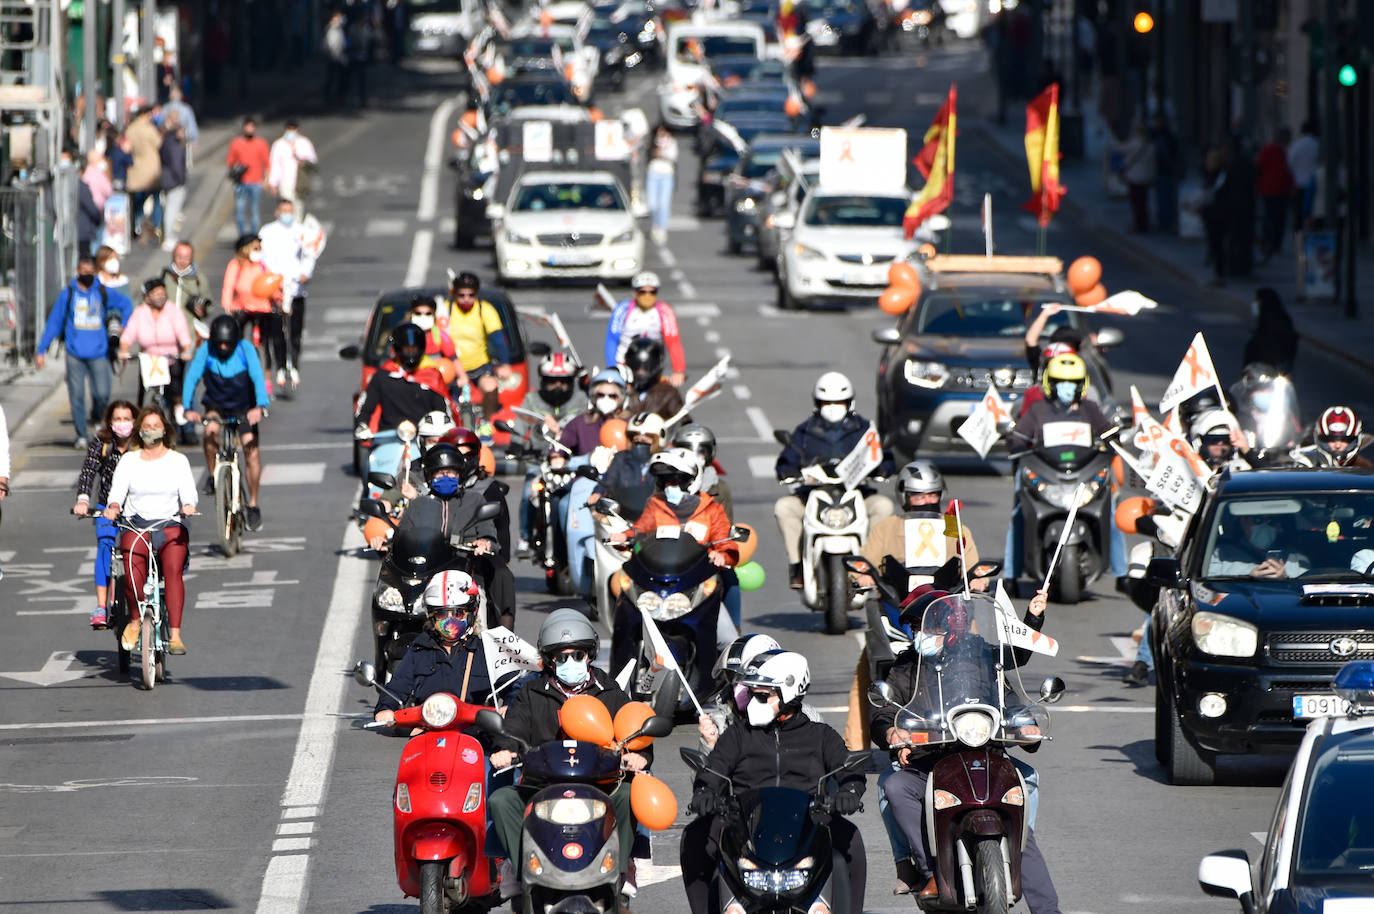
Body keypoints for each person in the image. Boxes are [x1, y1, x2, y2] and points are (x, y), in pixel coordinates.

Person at [875, 589, 1059, 911]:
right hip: (930, 762)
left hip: (986, 758)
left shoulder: (978, 657)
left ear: (952, 628)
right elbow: (883, 712)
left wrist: (1026, 723)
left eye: (928, 627)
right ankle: (929, 870)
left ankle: (1049, 909)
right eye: (916, 629)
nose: (920, 635)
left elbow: (1010, 685)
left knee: (1022, 812)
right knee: (894, 786)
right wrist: (892, 730)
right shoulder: (905, 667)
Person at [681, 650, 866, 914]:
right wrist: (705, 791)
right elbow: (714, 767)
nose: (752, 701)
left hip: (810, 820)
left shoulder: (821, 736)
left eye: (762, 695)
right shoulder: (738, 735)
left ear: (790, 692)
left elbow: (848, 768)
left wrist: (849, 791)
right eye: (751, 694)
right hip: (743, 821)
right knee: (694, 836)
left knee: (852, 838)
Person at [487, 608, 648, 899]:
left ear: (590, 655)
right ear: (549, 660)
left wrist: (640, 755)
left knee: (628, 794)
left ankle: (623, 865)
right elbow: (512, 730)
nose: (570, 662)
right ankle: (518, 866)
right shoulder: (530, 693)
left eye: (578, 655)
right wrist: (505, 750)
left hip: (600, 785)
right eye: (561, 657)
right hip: (542, 786)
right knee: (501, 800)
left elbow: (635, 732)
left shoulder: (611, 692)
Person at [610, 447, 740, 670]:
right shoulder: (655, 505)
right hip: (658, 583)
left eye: (677, 480)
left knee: (728, 641)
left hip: (697, 587)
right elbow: (640, 530)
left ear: (694, 479)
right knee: (625, 622)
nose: (671, 486)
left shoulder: (712, 509)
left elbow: (724, 541)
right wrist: (625, 535)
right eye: (665, 481)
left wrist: (721, 553)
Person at [1003, 353, 1126, 586]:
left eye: (1072, 383)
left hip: (1084, 475)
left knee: (1110, 513)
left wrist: (1116, 436)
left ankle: (1122, 574)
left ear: (1082, 385)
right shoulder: (1038, 410)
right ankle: (1011, 574)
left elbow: (1109, 433)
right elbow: (1018, 437)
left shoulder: (1090, 409)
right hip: (1047, 475)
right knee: (1019, 513)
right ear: (1051, 383)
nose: (1067, 387)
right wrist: (1013, 439)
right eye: (1061, 382)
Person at [774, 371, 896, 589]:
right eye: (826, 402)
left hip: (857, 493)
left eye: (839, 402)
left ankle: (872, 564)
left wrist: (883, 469)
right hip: (812, 495)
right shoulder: (805, 431)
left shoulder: (865, 429)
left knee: (884, 506)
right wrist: (787, 472)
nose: (832, 407)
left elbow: (882, 456)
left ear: (849, 402)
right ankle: (797, 567)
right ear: (817, 403)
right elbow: (787, 459)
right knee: (784, 507)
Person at [102, 406, 198, 655]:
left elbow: (189, 491)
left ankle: (175, 634)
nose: (151, 430)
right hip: (137, 524)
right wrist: (113, 506)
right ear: (139, 431)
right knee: (132, 575)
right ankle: (135, 621)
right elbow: (117, 491)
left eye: (156, 426)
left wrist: (188, 505)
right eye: (146, 427)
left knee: (173, 571)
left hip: (170, 524)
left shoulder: (178, 460)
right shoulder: (129, 460)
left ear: (164, 429)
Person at [373, 570, 493, 728]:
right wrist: (386, 708)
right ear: (432, 616)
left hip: (474, 736)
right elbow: (398, 686)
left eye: (458, 613)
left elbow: (512, 687)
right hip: (428, 734)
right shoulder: (420, 649)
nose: (450, 620)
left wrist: (509, 708)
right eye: (442, 614)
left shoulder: (486, 651)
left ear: (471, 614)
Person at [36, 255, 133, 448]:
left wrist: (124, 326)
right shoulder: (68, 294)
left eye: (91, 271)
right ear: (77, 271)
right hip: (75, 353)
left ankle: (97, 418)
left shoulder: (103, 292)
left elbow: (127, 304)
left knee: (102, 393)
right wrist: (41, 350)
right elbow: (54, 322)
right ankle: (81, 433)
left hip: (99, 352)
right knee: (77, 395)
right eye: (84, 271)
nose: (87, 275)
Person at [182, 315, 269, 528]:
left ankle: (254, 503)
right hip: (217, 404)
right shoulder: (206, 350)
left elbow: (258, 377)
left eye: (227, 343)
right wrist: (188, 408)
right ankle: (213, 475)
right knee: (210, 430)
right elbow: (192, 377)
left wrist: (260, 406)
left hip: (244, 406)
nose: (222, 347)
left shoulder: (245, 348)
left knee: (251, 449)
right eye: (219, 343)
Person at [73, 400, 138, 628]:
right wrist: (83, 499)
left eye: (126, 419)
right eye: (117, 419)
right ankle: (101, 606)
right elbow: (88, 472)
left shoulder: (141, 444)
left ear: (134, 421)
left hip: (136, 508)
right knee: (105, 547)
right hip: (105, 507)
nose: (122, 424)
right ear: (110, 422)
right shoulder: (102, 443)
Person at [438, 271, 510, 437]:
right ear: (454, 293)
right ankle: (452, 427)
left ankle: (485, 421)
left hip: (479, 365)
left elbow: (499, 339)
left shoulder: (484, 310)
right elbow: (438, 336)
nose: (466, 300)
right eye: (461, 295)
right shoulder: (447, 310)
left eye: (471, 295)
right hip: (453, 368)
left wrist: (505, 364)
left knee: (491, 387)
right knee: (450, 401)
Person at [257, 199, 318, 387]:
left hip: (296, 289)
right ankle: (281, 365)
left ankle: (295, 364)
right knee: (277, 331)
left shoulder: (302, 231)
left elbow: (310, 255)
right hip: (275, 290)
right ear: (277, 211)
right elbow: (261, 258)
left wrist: (305, 273)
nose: (287, 214)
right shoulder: (267, 232)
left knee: (295, 330)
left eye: (290, 211)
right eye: (284, 210)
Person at [354, 323, 451, 435]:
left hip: (424, 436)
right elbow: (365, 406)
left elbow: (444, 411)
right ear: (398, 349)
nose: (411, 353)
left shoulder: (432, 376)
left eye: (414, 349)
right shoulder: (383, 375)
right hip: (389, 437)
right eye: (407, 349)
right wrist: (362, 425)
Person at [222, 233, 286, 393]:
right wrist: (227, 304)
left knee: (264, 346)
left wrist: (280, 297)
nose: (258, 251)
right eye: (255, 247)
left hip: (262, 310)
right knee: (239, 343)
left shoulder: (262, 266)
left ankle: (265, 380)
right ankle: (239, 375)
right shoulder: (235, 265)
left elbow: (271, 285)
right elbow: (228, 286)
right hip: (242, 309)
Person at [118, 277, 194, 408]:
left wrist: (186, 351)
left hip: (171, 360)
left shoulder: (173, 311)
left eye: (162, 293)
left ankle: (178, 410)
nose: (160, 297)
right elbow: (127, 336)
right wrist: (124, 350)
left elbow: (184, 337)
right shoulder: (140, 312)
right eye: (156, 294)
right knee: (142, 397)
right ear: (147, 297)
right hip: (148, 362)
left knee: (176, 390)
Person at [604, 272, 687, 387]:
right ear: (635, 292)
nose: (647, 296)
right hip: (623, 366)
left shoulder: (665, 311)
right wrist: (613, 369)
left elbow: (673, 341)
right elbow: (612, 339)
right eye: (642, 292)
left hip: (652, 368)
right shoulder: (622, 309)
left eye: (652, 292)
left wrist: (679, 371)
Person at [593, 411, 666, 522]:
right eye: (636, 440)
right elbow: (608, 480)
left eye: (646, 439)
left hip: (654, 520)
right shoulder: (621, 458)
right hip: (622, 517)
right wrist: (598, 493)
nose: (640, 443)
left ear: (657, 441)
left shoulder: (665, 463)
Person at [559, 368, 628, 456]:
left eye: (612, 396)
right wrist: (556, 457)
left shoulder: (630, 424)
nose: (606, 399)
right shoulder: (580, 423)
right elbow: (559, 447)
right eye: (601, 395)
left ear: (621, 398)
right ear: (593, 396)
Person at [673, 423, 732, 520]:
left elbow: (725, 530)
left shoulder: (720, 488)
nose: (694, 457)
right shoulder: (666, 482)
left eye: (701, 452)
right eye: (687, 451)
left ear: (710, 453)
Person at [226, 117, 271, 237]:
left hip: (256, 182)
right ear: (244, 127)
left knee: (254, 211)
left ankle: (253, 236)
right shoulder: (236, 143)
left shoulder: (261, 143)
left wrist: (266, 179)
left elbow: (267, 162)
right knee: (240, 211)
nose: (250, 129)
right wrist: (238, 167)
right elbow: (230, 161)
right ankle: (242, 236)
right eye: (248, 126)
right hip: (241, 182)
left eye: (252, 127)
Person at [125, 106, 164, 244]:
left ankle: (137, 225)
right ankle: (156, 225)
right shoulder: (150, 129)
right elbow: (159, 144)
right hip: (151, 168)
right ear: (145, 115)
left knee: (138, 200)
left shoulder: (130, 129)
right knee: (156, 198)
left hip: (135, 169)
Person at [623, 337, 686, 420]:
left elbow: (684, 422)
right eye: (636, 366)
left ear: (656, 365)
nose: (641, 371)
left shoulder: (668, 393)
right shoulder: (621, 391)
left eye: (646, 367)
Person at [1255, 127, 1294, 262]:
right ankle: (1270, 243)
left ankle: (1274, 244)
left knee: (1277, 218)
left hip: (1277, 190)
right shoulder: (1270, 151)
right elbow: (1260, 168)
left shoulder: (1279, 152)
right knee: (1271, 218)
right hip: (1270, 190)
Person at [1242, 288, 1298, 377]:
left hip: (1274, 368)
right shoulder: (1279, 316)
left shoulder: (1272, 320)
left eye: (1258, 301)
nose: (1255, 304)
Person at [1292, 406, 1371, 469]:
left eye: (1345, 440)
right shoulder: (1304, 461)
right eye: (1330, 439)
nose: (1337, 445)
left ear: (1356, 439)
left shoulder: (1368, 468)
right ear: (1320, 439)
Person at [268, 120, 319, 211]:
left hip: (300, 182)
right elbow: (274, 164)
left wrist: (303, 161)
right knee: (287, 208)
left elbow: (313, 160)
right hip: (284, 182)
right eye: (289, 128)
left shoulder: (304, 142)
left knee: (298, 208)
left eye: (293, 128)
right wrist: (273, 182)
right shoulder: (279, 144)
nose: (291, 131)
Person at [1116, 121, 1156, 233]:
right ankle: (1145, 224)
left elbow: (1118, 148)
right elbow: (1152, 164)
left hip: (1134, 178)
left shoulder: (1133, 144)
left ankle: (1138, 225)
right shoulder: (1150, 146)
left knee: (1136, 203)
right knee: (1143, 203)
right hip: (1145, 178)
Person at [158, 109, 189, 251]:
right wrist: (181, 180)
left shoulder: (165, 141)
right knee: (172, 210)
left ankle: (166, 235)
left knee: (167, 209)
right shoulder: (176, 145)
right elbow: (177, 165)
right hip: (174, 181)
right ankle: (168, 237)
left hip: (165, 179)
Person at [646, 126, 678, 245]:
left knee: (663, 204)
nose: (662, 134)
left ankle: (662, 229)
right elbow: (649, 154)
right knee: (652, 203)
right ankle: (655, 225)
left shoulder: (672, 142)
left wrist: (662, 152)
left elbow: (673, 156)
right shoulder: (652, 142)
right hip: (653, 174)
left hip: (666, 175)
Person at [1151, 113, 1181, 235]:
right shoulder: (1156, 134)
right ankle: (1165, 221)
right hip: (1162, 171)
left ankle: (1166, 222)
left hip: (1165, 171)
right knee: (1163, 197)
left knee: (1166, 197)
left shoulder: (1166, 136)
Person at [1288, 121, 1320, 228]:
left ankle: (1299, 241)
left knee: (1299, 217)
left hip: (1299, 185)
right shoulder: (1317, 144)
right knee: (1313, 216)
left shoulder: (1296, 145)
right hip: (1315, 184)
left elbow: (1290, 165)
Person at [323, 11, 349, 104]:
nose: (339, 21)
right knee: (331, 79)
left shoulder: (341, 30)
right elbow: (325, 46)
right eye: (337, 19)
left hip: (340, 59)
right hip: (332, 59)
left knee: (341, 79)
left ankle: (339, 97)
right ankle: (327, 97)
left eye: (339, 19)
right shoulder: (329, 30)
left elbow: (344, 44)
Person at [162, 85, 199, 151]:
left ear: (180, 93)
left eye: (177, 92)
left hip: (182, 144)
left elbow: (193, 129)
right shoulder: (165, 109)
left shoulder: (186, 109)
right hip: (167, 145)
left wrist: (185, 134)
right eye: (173, 92)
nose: (174, 94)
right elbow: (160, 127)